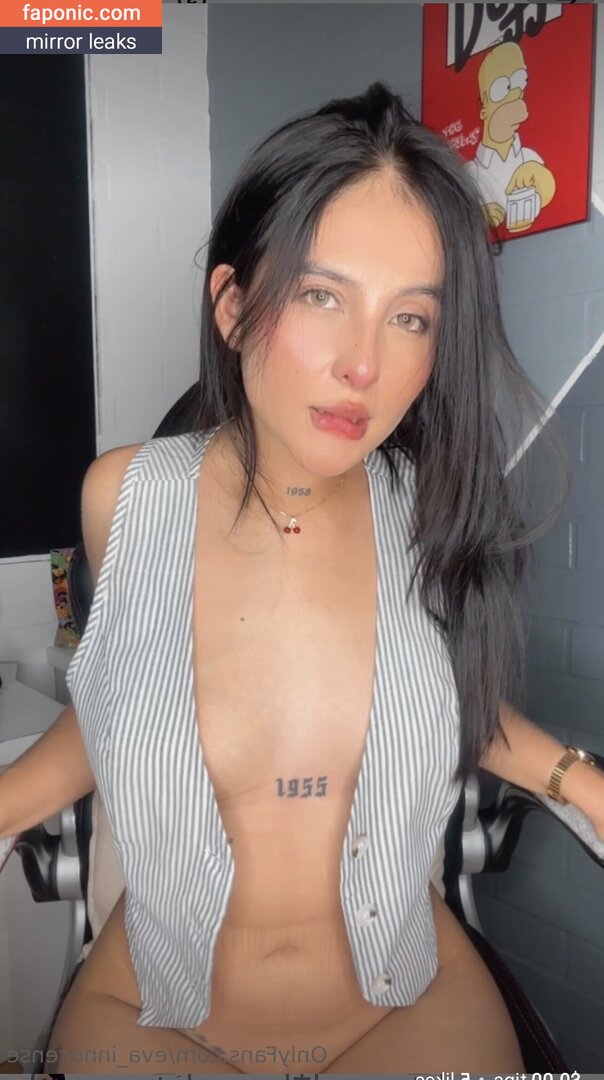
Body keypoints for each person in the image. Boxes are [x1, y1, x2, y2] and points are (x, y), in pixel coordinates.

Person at [2, 81, 604, 1075]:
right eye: (323, 296)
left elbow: (447, 698)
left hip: (404, 1003)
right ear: (235, 306)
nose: (365, 365)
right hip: (156, 1011)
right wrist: (10, 799)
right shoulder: (126, 499)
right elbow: (125, 691)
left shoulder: (427, 509)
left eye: (411, 318)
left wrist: (575, 779)